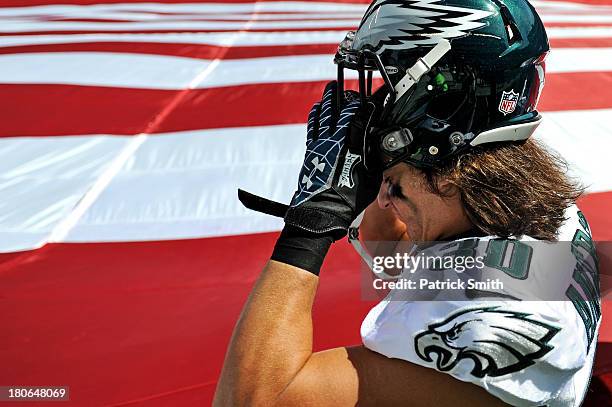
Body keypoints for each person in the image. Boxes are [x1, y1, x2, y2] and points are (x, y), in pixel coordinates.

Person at [214, 0, 601, 405]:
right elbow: (397, 258)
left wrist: (308, 226)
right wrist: (385, 170)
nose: (371, 106)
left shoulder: (489, 320)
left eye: (389, 87)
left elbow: (251, 397)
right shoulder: (546, 218)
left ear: (441, 98)